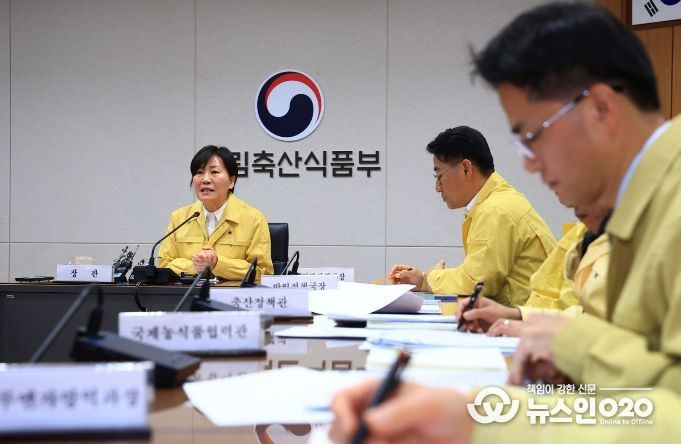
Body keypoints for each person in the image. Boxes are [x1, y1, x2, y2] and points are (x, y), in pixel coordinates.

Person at [330, 3, 681, 442]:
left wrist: (568, 350)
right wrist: (473, 415)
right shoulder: (636, 204)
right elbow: (642, 396)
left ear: (601, 109)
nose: (530, 165)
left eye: (534, 137)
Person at [390, 126, 556, 307]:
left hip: (528, 321)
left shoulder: (495, 210)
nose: (437, 187)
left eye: (439, 175)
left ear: (466, 168)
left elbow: (476, 282)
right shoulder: (499, 201)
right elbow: (477, 275)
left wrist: (431, 278)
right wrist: (423, 280)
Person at [458, 204, 610, 337]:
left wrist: (523, 321)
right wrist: (516, 316)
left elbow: (476, 278)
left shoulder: (495, 210)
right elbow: (588, 314)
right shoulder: (590, 227)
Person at [159, 145, 273, 282]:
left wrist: (218, 264)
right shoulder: (179, 218)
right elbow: (164, 265)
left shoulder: (254, 219)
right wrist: (196, 267)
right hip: (188, 294)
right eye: (199, 172)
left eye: (214, 172)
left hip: (232, 295)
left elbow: (263, 272)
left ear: (231, 181)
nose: (205, 179)